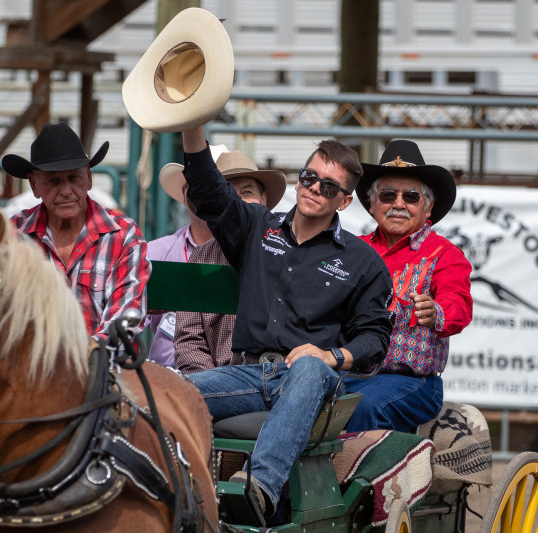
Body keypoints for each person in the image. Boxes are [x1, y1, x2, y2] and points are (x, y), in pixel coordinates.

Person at [181, 124, 394, 519]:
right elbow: (210, 192)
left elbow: (375, 338)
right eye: (309, 177)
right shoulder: (257, 225)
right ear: (299, 181)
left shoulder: (364, 262)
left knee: (310, 367)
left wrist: (330, 355)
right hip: (244, 374)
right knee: (168, 390)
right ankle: (167, 491)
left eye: (329, 187)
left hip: (309, 380)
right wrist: (192, 126)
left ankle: (257, 488)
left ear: (344, 202)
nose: (314, 188)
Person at [344, 139, 473, 432]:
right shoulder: (352, 251)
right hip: (348, 374)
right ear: (373, 204)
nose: (398, 204)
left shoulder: (445, 254)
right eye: (388, 195)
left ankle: (363, 477)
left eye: (411, 197)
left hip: (413, 382)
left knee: (364, 404)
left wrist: (436, 311)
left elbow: (459, 304)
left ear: (427, 208)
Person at [2, 122, 150, 338]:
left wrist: (86, 357)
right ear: (34, 186)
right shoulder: (12, 234)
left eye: (73, 178)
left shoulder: (123, 234)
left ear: (88, 178)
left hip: (101, 364)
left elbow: (127, 316)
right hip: (30, 365)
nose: (66, 191)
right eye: (53, 181)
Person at [171, 150, 286, 373]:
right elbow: (189, 340)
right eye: (228, 194)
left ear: (264, 200)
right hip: (218, 379)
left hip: (280, 374)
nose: (238, 202)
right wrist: (213, 383)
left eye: (247, 192)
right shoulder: (200, 258)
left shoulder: (290, 251)